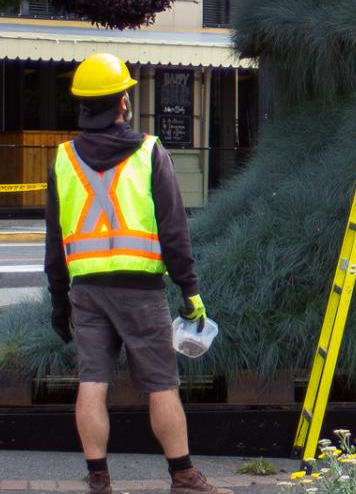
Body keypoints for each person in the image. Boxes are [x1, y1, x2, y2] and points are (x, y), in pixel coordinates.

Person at [45, 52, 226, 494]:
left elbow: (54, 239)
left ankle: (99, 482)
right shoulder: (149, 152)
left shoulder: (63, 158)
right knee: (162, 384)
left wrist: (58, 300)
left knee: (92, 383)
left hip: (86, 291)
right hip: (141, 290)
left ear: (85, 105)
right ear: (122, 102)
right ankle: (183, 476)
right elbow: (174, 230)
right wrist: (191, 292)